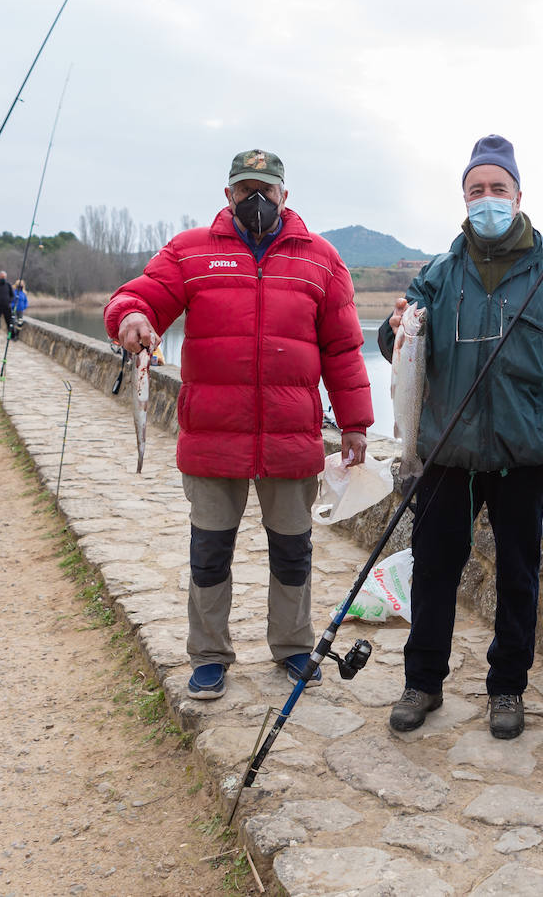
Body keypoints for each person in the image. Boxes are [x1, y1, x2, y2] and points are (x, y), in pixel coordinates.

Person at [104, 149, 373, 701]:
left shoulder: (321, 259)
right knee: (210, 551)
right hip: (212, 433)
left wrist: (356, 424)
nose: (256, 199)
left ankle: (294, 645)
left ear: (284, 195)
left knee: (293, 549)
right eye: (245, 188)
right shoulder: (190, 252)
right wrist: (130, 316)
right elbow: (141, 297)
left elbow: (344, 349)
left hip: (291, 434)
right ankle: (208, 654)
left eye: (266, 189)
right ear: (227, 194)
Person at [378, 134, 543, 740]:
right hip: (445, 454)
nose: (487, 199)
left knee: (518, 577)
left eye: (496, 189)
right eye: (476, 190)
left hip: (524, 455)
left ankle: (507, 687)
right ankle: (422, 682)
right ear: (464, 198)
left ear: (517, 194)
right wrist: (394, 326)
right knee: (433, 571)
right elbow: (396, 348)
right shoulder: (437, 275)